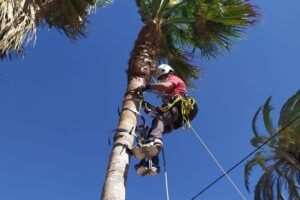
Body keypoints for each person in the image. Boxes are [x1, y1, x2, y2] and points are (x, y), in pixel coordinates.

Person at [132, 64, 198, 176]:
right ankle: (152, 162)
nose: (162, 80)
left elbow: (166, 86)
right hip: (177, 119)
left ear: (169, 73)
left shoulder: (174, 79)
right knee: (153, 130)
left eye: (162, 77)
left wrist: (147, 87)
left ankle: (154, 141)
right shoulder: (168, 97)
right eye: (160, 78)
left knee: (158, 122)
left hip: (181, 107)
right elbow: (159, 110)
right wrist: (144, 105)